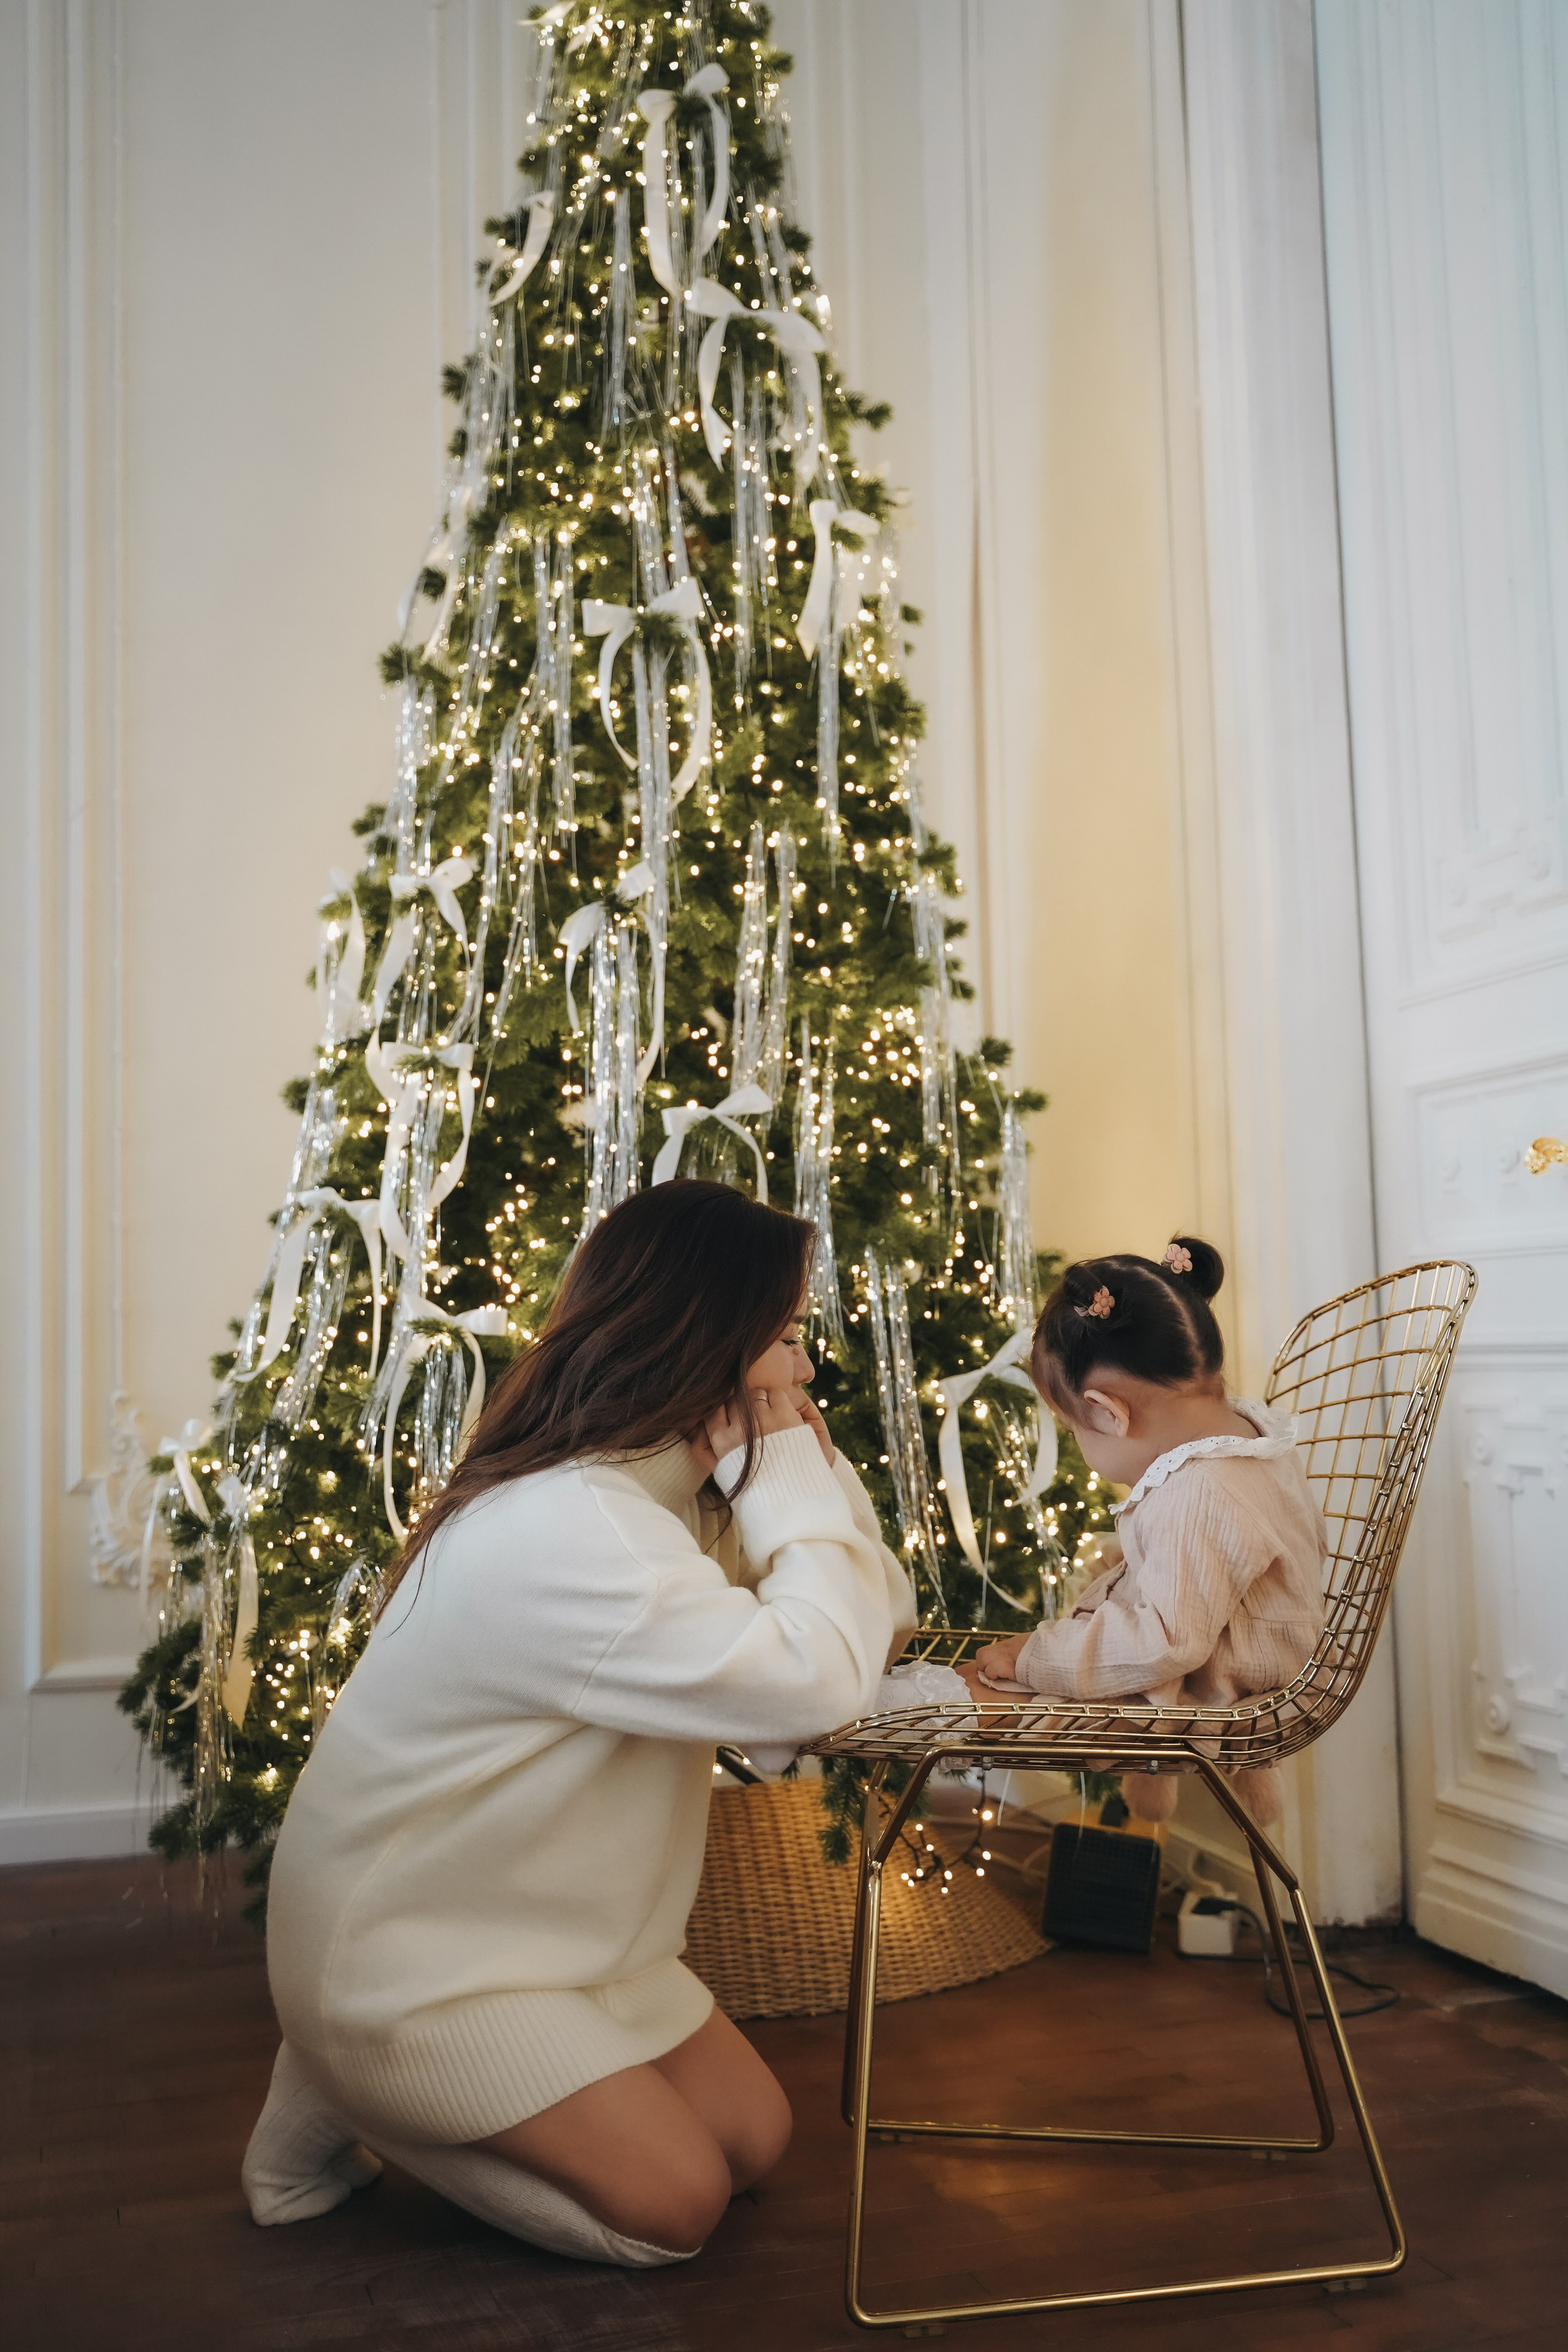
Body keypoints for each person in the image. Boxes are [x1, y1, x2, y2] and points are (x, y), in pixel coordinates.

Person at [241, 1180, 914, 2267]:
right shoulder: (574, 1527)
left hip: (573, 1947)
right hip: (417, 1962)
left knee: (755, 2140)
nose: (804, 1371)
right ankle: (350, 2074)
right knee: (677, 2208)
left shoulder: (674, 1505)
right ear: (716, 1348)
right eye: (788, 1340)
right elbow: (818, 1681)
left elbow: (875, 1613)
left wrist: (808, 1475)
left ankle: (369, 2076)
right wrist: (792, 1479)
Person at [961, 1238, 1325, 1824]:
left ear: (1107, 1412)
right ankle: (1225, 1784)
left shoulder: (1199, 1492)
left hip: (1220, 1699)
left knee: (976, 1693)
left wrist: (1032, 1657)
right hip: (1266, 1664)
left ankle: (1146, 1758)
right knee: (1115, 1578)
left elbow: (1165, 1643)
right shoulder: (1254, 1442)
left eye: (1074, 1429)